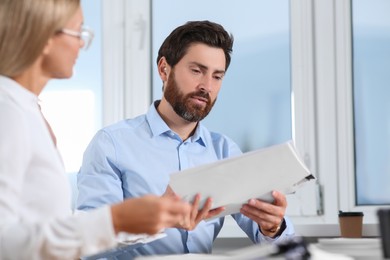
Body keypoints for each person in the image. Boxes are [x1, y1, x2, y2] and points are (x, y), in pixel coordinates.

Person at [77, 20, 295, 258]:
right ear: (164, 69)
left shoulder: (223, 151)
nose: (207, 86)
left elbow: (278, 238)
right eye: (197, 71)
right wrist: (156, 218)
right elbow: (91, 244)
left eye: (217, 76)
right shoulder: (111, 145)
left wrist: (272, 226)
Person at [0, 1, 191, 259]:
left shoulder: (28, 108)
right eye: (78, 32)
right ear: (45, 35)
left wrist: (151, 217)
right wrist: (113, 219)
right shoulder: (7, 110)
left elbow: (48, 226)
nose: (82, 43)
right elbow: (5, 242)